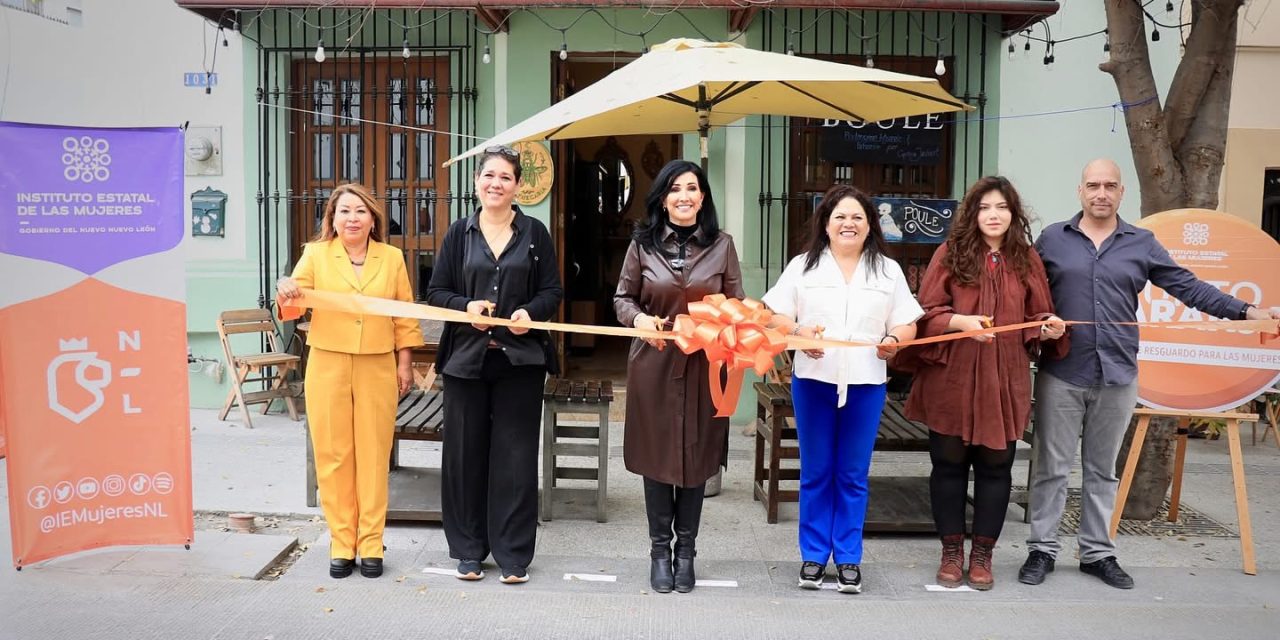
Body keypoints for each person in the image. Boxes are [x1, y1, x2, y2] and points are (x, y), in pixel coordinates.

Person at [1021, 158, 1280, 590]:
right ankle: (1041, 550)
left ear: (1122, 193)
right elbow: (1026, 295)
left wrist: (1248, 311)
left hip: (1118, 373)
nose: (1100, 193)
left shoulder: (1142, 243)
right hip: (1063, 370)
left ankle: (1097, 553)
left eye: (1109, 186)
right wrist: (1040, 319)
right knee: (1051, 467)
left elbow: (1189, 287)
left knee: (1102, 469)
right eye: (1092, 185)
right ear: (1080, 191)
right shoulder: (1052, 240)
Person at [897, 176, 1067, 590]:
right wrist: (959, 322)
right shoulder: (950, 254)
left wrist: (1047, 328)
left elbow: (1040, 314)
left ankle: (982, 555)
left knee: (996, 467)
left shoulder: (1026, 258)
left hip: (1003, 377)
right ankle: (952, 552)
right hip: (952, 376)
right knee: (948, 465)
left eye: (1002, 208)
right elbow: (926, 312)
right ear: (972, 213)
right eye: (985, 207)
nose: (994, 215)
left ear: (1013, 214)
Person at [761, 184, 923, 594]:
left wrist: (896, 340)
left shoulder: (887, 271)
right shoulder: (803, 266)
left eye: (857, 217)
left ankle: (848, 557)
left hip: (867, 383)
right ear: (826, 224)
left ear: (870, 225)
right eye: (840, 217)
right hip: (813, 381)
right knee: (816, 471)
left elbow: (907, 321)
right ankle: (814, 556)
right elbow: (775, 315)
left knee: (852, 473)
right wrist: (800, 333)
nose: (848, 224)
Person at [426, 145, 563, 585]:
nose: (496, 184)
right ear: (476, 183)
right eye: (489, 176)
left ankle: (513, 555)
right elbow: (436, 292)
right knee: (464, 457)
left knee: (516, 458)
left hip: (520, 361)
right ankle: (468, 550)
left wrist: (530, 313)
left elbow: (552, 290)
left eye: (505, 177)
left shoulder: (535, 233)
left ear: (518, 186)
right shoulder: (458, 234)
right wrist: (465, 305)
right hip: (466, 361)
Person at [276, 183, 424, 580]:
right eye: (344, 211)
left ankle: (372, 543)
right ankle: (342, 542)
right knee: (334, 454)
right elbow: (292, 304)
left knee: (374, 455)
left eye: (360, 211)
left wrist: (405, 363)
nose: (352, 218)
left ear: (373, 218)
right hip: (327, 362)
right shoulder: (316, 255)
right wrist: (285, 288)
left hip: (377, 364)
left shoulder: (391, 258)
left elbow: (404, 315)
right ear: (332, 219)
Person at [613, 159, 744, 594]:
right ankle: (658, 552)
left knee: (696, 458)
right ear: (663, 199)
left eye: (692, 188)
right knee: (657, 458)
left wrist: (734, 327)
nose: (684, 195)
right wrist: (638, 321)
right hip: (654, 364)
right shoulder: (642, 245)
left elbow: (737, 304)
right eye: (675, 188)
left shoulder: (722, 245)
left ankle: (685, 552)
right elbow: (622, 298)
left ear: (703, 197)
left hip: (706, 367)